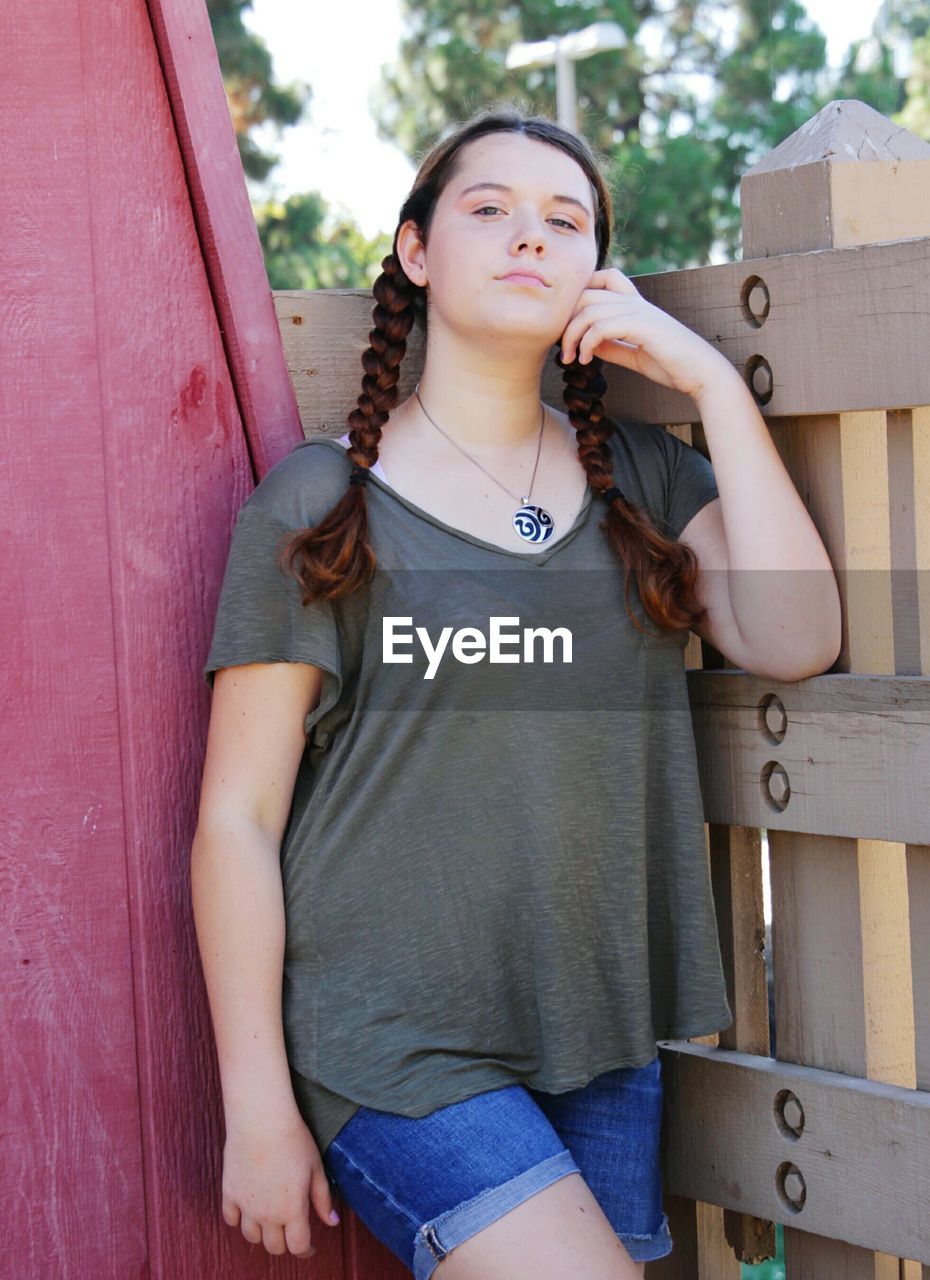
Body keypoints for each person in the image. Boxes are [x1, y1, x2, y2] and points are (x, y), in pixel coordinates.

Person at [191, 103, 840, 1280]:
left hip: (598, 1028)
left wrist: (704, 376)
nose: (529, 238)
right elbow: (237, 818)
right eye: (488, 210)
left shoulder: (644, 479)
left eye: (565, 221)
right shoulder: (320, 498)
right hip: (393, 1040)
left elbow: (794, 636)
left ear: (600, 271)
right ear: (417, 251)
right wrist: (256, 1103)